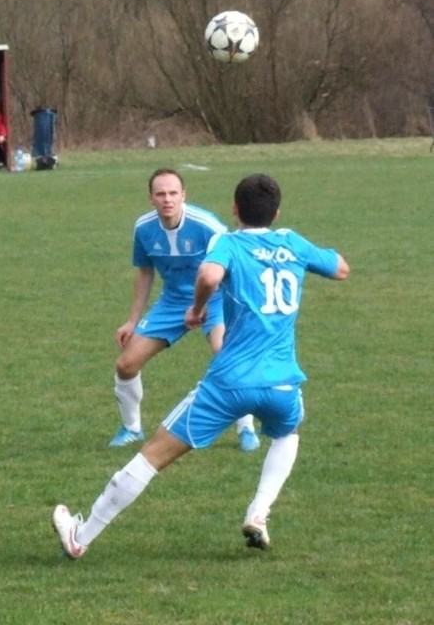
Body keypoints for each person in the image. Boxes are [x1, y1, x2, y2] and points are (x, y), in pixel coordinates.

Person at [52, 173, 350, 558]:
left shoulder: (228, 242)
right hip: (282, 385)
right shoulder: (291, 242)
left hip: (228, 384)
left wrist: (195, 309)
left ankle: (82, 536)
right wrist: (300, 251)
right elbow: (341, 268)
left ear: (234, 210)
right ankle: (258, 513)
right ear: (276, 212)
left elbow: (209, 274)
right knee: (287, 435)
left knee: (154, 454)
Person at [108, 169, 259, 452]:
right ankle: (131, 428)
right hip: (173, 303)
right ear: (151, 198)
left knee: (227, 355)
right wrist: (132, 321)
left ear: (183, 195)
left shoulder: (207, 226)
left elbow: (234, 264)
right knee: (125, 364)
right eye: (161, 194)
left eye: (173, 193)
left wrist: (238, 308)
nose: (167, 199)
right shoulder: (143, 228)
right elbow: (144, 273)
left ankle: (246, 427)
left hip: (215, 299)